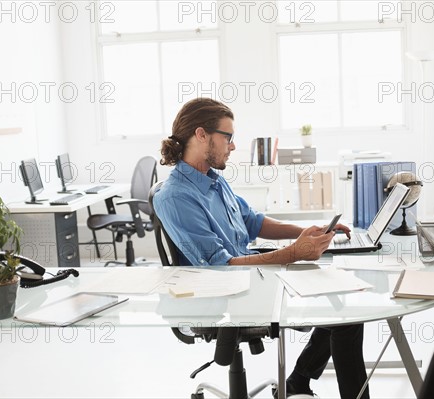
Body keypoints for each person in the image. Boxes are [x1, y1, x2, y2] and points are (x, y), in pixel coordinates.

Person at [153, 98, 369, 399]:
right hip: (225, 295)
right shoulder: (175, 197)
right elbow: (220, 267)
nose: (232, 146)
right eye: (227, 137)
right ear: (201, 135)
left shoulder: (213, 179)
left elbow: (252, 221)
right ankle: (300, 381)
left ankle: (297, 382)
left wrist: (306, 232)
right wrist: (295, 252)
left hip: (251, 273)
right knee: (344, 318)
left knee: (341, 307)